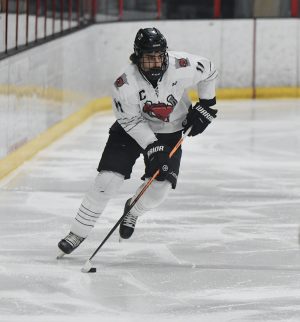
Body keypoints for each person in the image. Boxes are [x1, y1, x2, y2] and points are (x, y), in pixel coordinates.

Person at [58, 27, 218, 255]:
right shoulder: (124, 84)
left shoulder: (182, 65)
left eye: (159, 56)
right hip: (131, 130)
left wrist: (207, 103)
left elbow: (209, 70)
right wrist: (153, 147)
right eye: (148, 58)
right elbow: (131, 121)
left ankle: (133, 211)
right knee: (107, 180)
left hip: (171, 130)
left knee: (160, 189)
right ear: (137, 57)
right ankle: (77, 232)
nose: (155, 63)